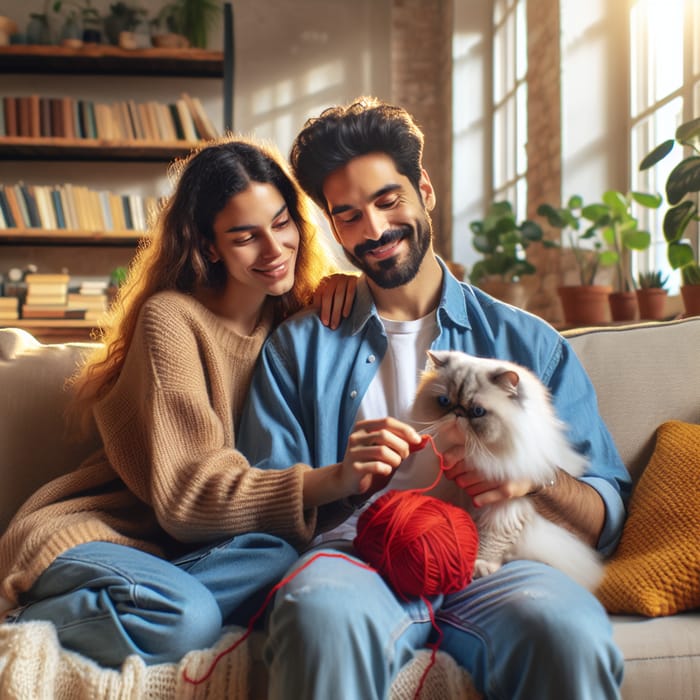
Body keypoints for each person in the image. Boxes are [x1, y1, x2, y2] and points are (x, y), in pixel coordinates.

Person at [237, 97, 632, 699]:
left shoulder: (530, 345)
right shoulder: (299, 347)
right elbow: (262, 499)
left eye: (387, 200)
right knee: (319, 617)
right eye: (347, 216)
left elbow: (607, 517)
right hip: (354, 563)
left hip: (497, 565)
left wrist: (535, 480)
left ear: (424, 189)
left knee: (569, 632)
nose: (372, 229)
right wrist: (340, 476)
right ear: (332, 227)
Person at [0, 136, 418, 669]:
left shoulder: (295, 324)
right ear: (208, 244)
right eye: (246, 236)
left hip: (193, 556)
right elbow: (186, 496)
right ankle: (26, 617)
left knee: (279, 555)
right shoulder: (171, 320)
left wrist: (347, 287)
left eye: (282, 223)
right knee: (184, 618)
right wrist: (335, 477)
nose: (273, 250)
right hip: (101, 535)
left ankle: (156, 608)